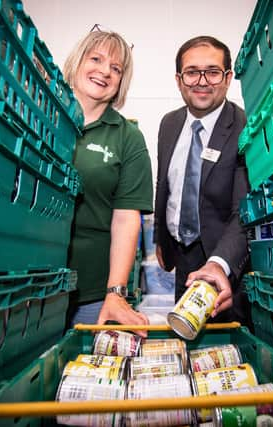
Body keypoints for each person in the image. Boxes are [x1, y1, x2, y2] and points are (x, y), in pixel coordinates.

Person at [153, 35, 252, 328]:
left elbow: (244, 211)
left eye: (212, 71)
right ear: (179, 78)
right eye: (192, 72)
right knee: (185, 337)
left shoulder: (244, 126)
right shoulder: (169, 124)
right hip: (183, 255)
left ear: (228, 77)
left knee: (225, 353)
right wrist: (161, 237)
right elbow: (166, 185)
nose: (202, 81)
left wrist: (219, 264)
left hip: (226, 259)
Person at [63, 26, 152, 336]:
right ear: (77, 61)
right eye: (96, 59)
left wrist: (115, 292)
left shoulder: (127, 137)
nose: (104, 71)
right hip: (28, 285)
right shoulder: (40, 113)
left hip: (92, 292)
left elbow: (127, 219)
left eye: (116, 68)